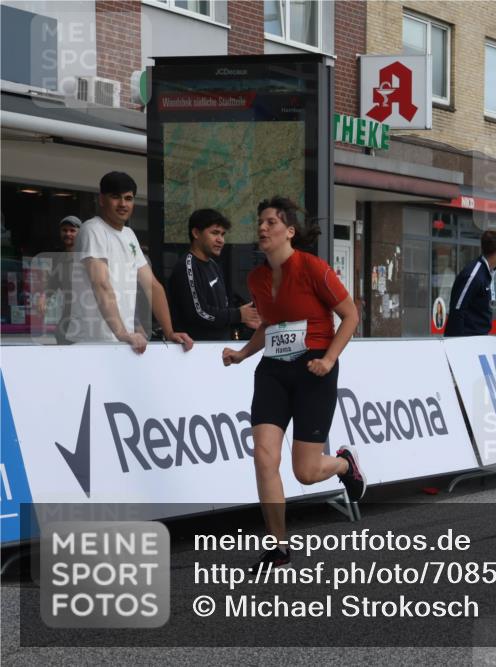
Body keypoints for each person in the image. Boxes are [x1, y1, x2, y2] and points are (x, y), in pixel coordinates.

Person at [222, 196, 365, 567]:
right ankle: (278, 545)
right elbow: (269, 326)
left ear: (289, 232)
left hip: (313, 369)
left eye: (271, 222)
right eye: (260, 222)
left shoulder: (313, 268)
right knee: (264, 457)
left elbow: (350, 316)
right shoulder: (257, 277)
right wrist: (242, 354)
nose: (263, 228)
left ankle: (345, 465)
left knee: (305, 470)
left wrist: (329, 358)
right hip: (272, 371)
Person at [67, 171, 193, 354]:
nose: (123, 204)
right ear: (102, 199)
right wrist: (123, 333)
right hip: (91, 341)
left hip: (123, 341)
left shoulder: (129, 235)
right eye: (116, 197)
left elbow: (152, 285)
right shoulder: (92, 229)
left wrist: (169, 332)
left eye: (128, 198)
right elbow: (100, 283)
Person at [168, 208, 261, 340]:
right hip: (194, 352)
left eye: (223, 234)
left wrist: (243, 319)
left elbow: (221, 311)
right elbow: (199, 313)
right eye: (215, 233)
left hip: (219, 349)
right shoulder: (186, 266)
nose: (221, 240)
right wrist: (238, 315)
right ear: (195, 233)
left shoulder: (214, 265)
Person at [443, 229, 496, 336]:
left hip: (478, 338)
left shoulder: (486, 272)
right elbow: (457, 310)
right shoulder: (474, 274)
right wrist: (457, 345)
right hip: (467, 341)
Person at [47, 216, 81, 344]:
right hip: (67, 317)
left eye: (72, 230)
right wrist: (43, 297)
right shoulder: (59, 259)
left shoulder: (87, 258)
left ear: (80, 233)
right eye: (64, 230)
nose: (68, 234)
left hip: (86, 319)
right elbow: (52, 284)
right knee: (61, 336)